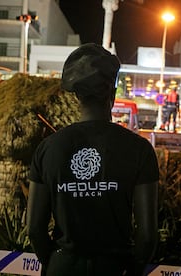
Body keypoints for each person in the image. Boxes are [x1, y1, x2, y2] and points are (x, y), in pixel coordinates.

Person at [27, 43, 159, 276]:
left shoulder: (48, 149)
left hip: (63, 267)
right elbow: (147, 235)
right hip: (114, 268)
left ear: (76, 96)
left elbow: (35, 229)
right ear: (113, 93)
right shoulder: (139, 150)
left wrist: (55, 264)